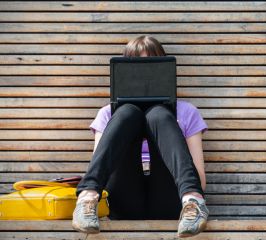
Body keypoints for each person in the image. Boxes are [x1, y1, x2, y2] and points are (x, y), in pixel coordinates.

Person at [72, 35, 209, 238]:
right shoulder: (108, 114)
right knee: (127, 112)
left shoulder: (186, 112)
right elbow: (102, 166)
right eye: (137, 70)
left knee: (159, 114)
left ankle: (193, 202)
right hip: (123, 198)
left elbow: (201, 179)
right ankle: (87, 198)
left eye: (151, 69)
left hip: (171, 201)